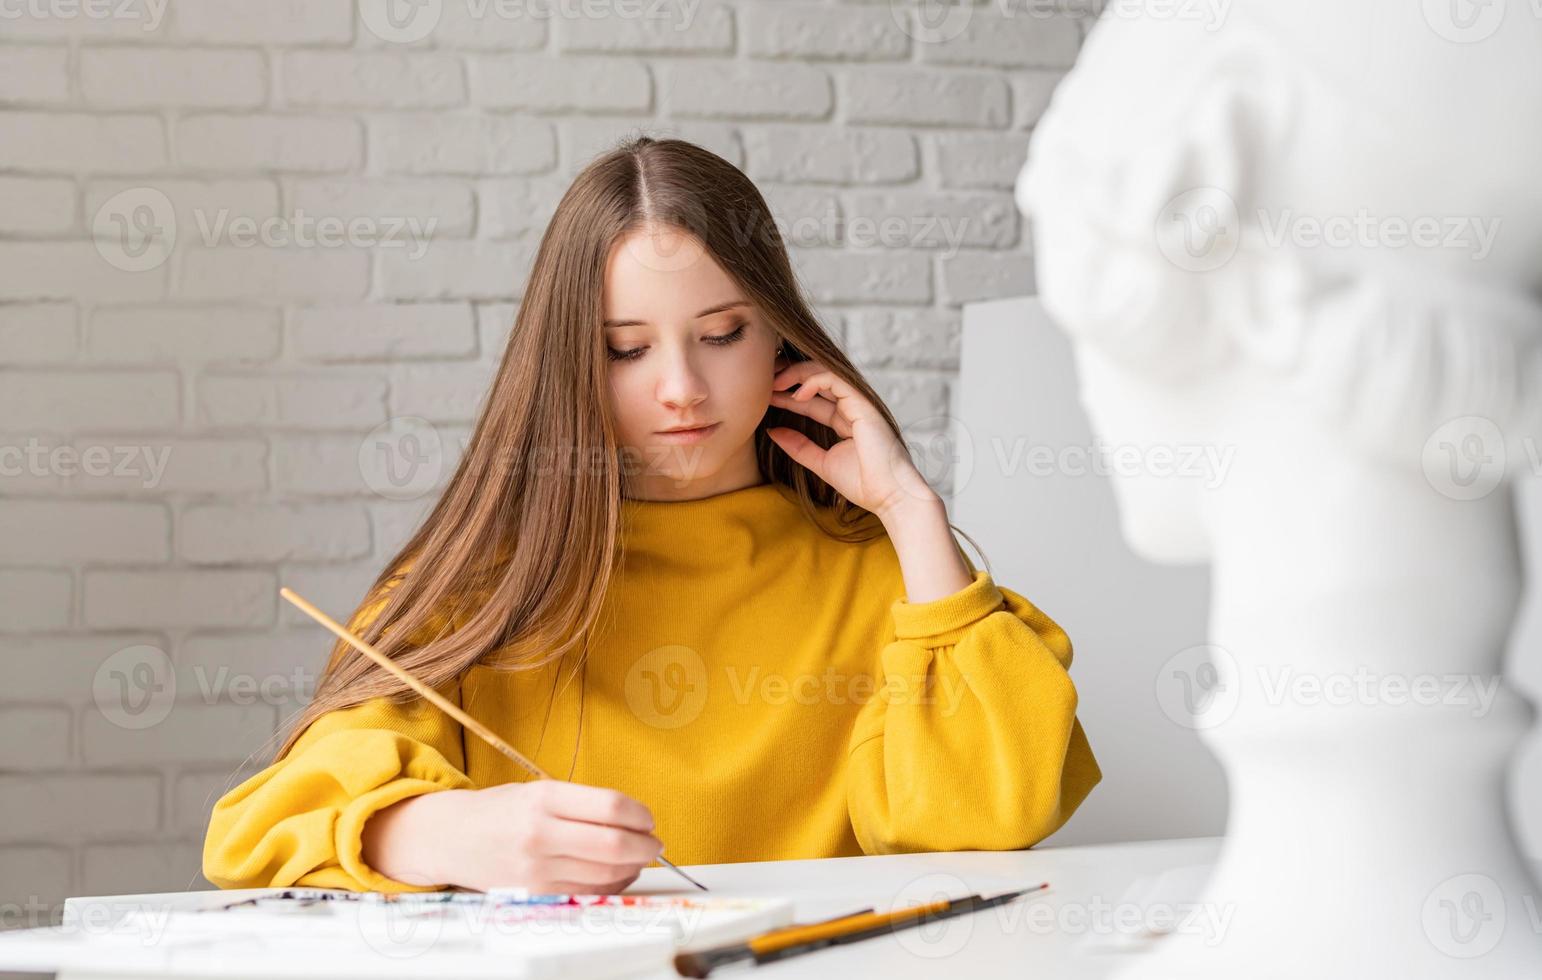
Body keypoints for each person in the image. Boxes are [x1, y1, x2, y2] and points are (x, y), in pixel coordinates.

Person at [202, 136, 1100, 895]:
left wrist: (910, 510)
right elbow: (267, 825)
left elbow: (983, 819)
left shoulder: (887, 578)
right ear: (571, 365)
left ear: (781, 335)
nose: (681, 389)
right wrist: (449, 835)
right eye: (626, 349)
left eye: (722, 334)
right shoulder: (482, 590)